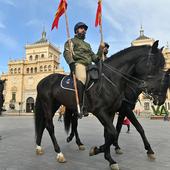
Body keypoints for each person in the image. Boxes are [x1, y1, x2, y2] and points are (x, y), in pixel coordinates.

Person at [63, 22, 104, 118]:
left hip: (90, 66)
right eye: (81, 28)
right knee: (82, 78)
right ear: (76, 30)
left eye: (85, 29)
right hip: (79, 64)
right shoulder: (71, 41)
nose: (84, 30)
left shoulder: (88, 45)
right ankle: (81, 106)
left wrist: (100, 49)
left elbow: (95, 58)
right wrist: (71, 63)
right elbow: (67, 53)